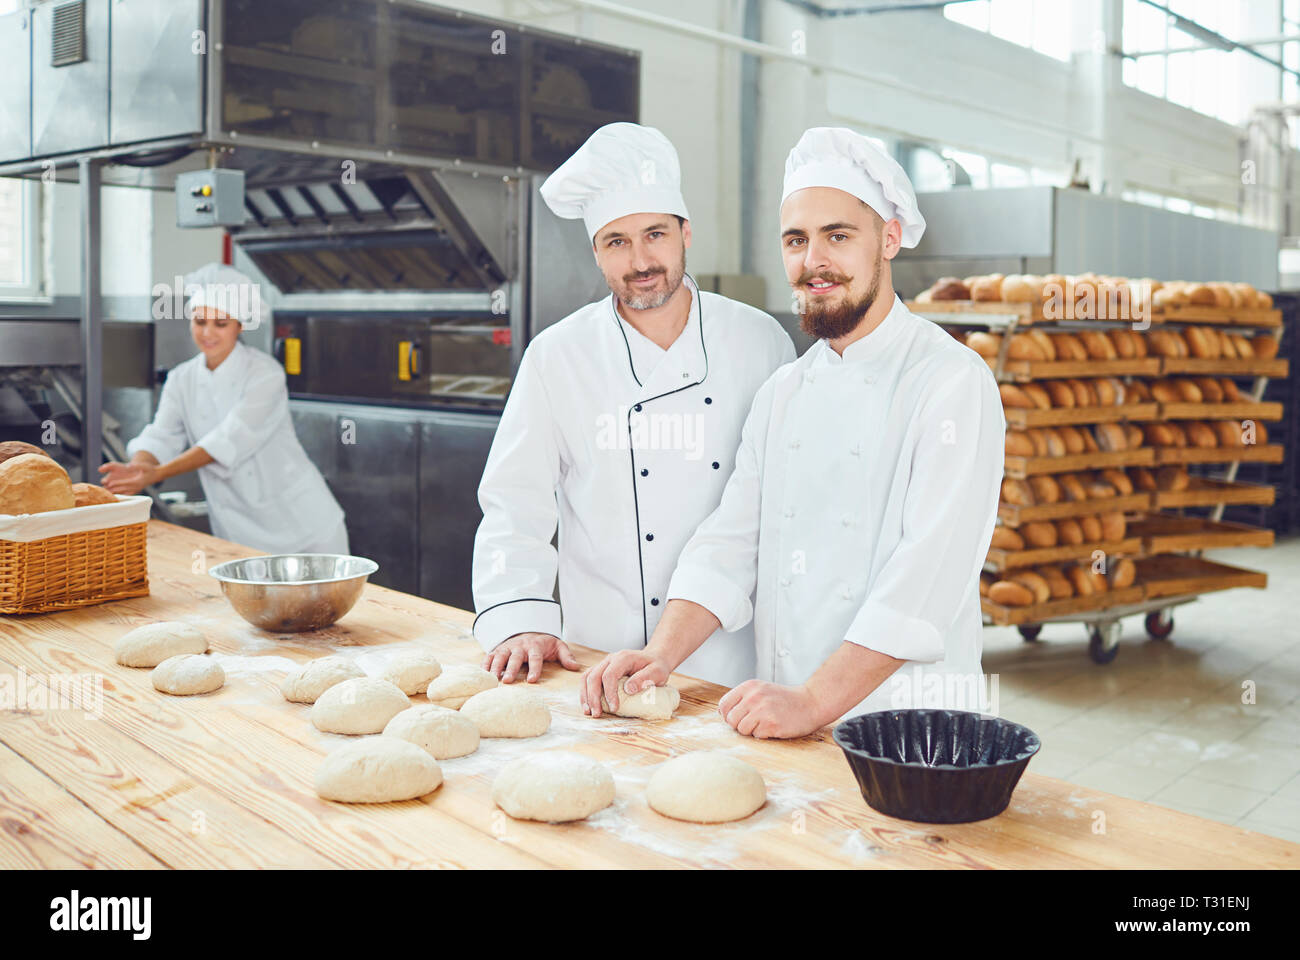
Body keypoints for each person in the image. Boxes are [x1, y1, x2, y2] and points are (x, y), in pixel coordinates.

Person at [581, 127, 1005, 736]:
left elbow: (926, 579)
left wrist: (812, 701)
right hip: (785, 724)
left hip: (907, 732)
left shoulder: (950, 382)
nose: (814, 262)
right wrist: (660, 654)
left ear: (888, 239)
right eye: (796, 240)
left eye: (838, 235)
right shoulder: (784, 391)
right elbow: (732, 541)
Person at [473, 122, 795, 686]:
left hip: (731, 659)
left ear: (685, 233)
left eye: (655, 234)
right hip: (597, 654)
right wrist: (518, 616)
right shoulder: (557, 356)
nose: (640, 260)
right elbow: (513, 502)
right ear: (596, 252)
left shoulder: (759, 341)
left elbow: (782, 502)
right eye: (616, 241)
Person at [100, 263, 348, 555]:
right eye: (200, 321)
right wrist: (139, 465)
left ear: (239, 326)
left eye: (221, 324)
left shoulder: (265, 373)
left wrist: (156, 474)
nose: (207, 333)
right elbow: (161, 435)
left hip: (301, 526)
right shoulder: (182, 378)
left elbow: (227, 441)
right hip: (237, 528)